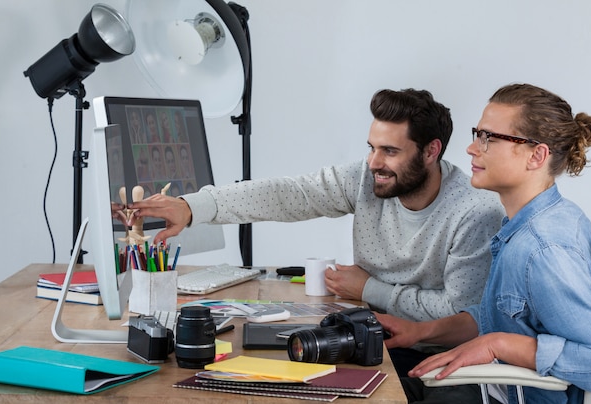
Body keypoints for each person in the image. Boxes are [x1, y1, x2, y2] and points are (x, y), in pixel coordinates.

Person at [129, 87, 504, 325]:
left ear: (431, 151)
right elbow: (289, 195)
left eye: (390, 151)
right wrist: (191, 207)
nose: (373, 163)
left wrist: (370, 289)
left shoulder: (474, 212)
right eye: (372, 147)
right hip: (368, 326)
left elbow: (461, 314)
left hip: (424, 354)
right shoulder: (367, 176)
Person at [377, 83, 591, 404]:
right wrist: (421, 331)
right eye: (478, 134)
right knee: (360, 389)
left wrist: (499, 344)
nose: (471, 148)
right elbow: (509, 316)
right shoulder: (526, 224)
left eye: (489, 138)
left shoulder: (544, 249)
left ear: (536, 155)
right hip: (484, 388)